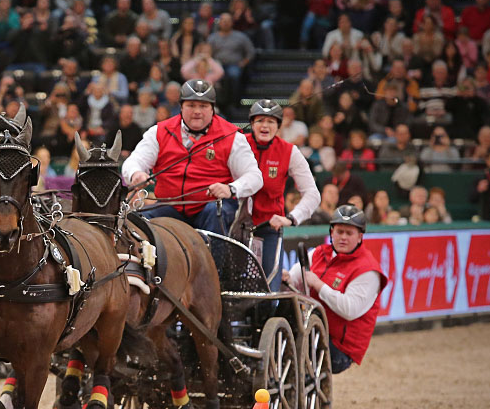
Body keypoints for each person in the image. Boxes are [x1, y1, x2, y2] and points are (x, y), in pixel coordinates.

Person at [122, 79, 263, 234]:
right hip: (170, 207)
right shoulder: (159, 131)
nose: (197, 111)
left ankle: (216, 259)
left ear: (212, 109)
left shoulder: (232, 136)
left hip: (211, 207)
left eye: (203, 106)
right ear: (181, 107)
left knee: (216, 212)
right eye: (191, 105)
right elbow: (134, 161)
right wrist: (136, 173)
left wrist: (231, 189)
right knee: (138, 221)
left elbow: (255, 177)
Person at [284, 205, 388, 373]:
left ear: (360, 237)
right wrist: (287, 278)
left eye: (349, 233)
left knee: (293, 342)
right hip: (314, 331)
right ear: (332, 232)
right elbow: (295, 277)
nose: (343, 238)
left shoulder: (368, 270)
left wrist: (318, 285)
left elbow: (350, 310)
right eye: (339, 232)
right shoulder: (319, 253)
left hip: (340, 348)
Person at [244, 100, 320, 291]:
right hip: (235, 226)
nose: (265, 126)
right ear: (251, 124)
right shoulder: (238, 144)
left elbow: (312, 194)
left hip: (268, 226)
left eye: (271, 121)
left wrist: (291, 218)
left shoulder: (289, 151)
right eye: (260, 120)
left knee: (269, 288)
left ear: (279, 125)